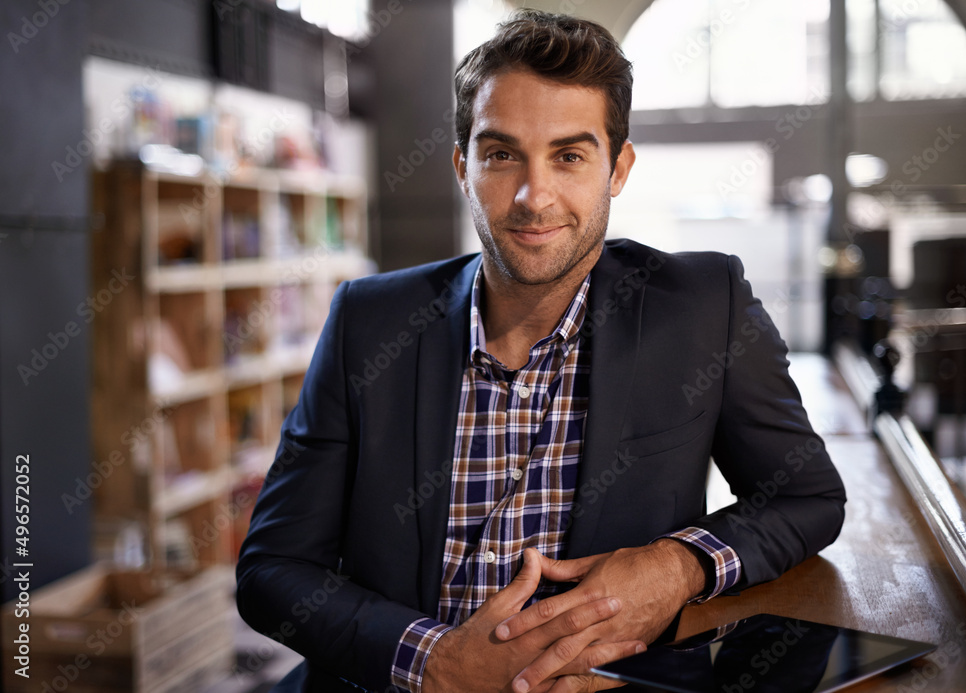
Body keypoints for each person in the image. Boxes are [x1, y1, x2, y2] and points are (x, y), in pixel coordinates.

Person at [236, 9, 847, 693]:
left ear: (618, 167)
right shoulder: (367, 323)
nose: (534, 196)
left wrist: (678, 564)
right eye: (501, 155)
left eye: (569, 155)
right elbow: (272, 569)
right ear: (463, 165)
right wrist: (433, 662)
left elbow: (805, 495)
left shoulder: (704, 306)